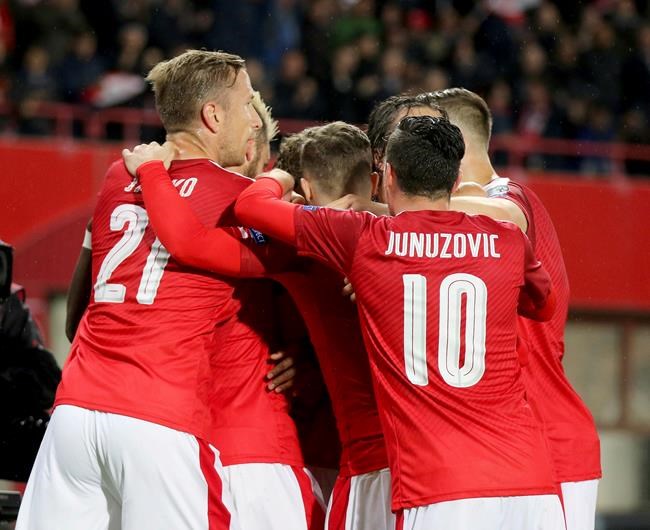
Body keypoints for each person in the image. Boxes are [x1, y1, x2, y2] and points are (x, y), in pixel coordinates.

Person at [232, 115, 566, 529]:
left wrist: (281, 174)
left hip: (441, 487)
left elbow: (249, 206)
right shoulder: (506, 238)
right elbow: (544, 305)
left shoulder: (365, 238)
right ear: (456, 177)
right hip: (531, 483)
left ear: (387, 176)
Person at [17, 49, 263, 530]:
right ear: (213, 115)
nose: (254, 117)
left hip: (75, 414)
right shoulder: (239, 197)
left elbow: (78, 309)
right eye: (247, 102)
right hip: (159, 418)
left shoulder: (116, 176)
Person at [121, 122, 395, 530]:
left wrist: (152, 174)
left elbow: (194, 241)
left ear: (301, 188)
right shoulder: (408, 240)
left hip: (325, 458)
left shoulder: (297, 245)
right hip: (420, 460)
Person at [418, 88, 601, 530]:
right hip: (508, 447)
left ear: (453, 142)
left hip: (549, 439)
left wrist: (391, 209)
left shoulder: (508, 198)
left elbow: (504, 214)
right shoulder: (465, 220)